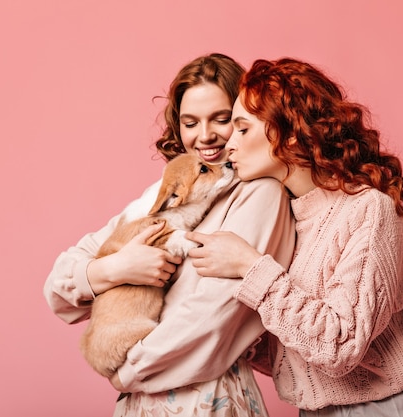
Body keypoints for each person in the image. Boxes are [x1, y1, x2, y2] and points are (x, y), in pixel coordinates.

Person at [186, 57, 403, 416]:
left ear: (289, 133)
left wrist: (250, 267)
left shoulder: (368, 209)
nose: (229, 143)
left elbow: (339, 346)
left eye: (243, 130)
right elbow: (302, 351)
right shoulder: (290, 218)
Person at [43, 53, 296, 417]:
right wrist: (117, 269)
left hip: (210, 401)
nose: (205, 135)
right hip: (141, 405)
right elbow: (59, 287)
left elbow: (211, 319)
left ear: (245, 118)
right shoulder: (166, 190)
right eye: (190, 122)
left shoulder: (260, 194)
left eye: (221, 119)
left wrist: (127, 369)